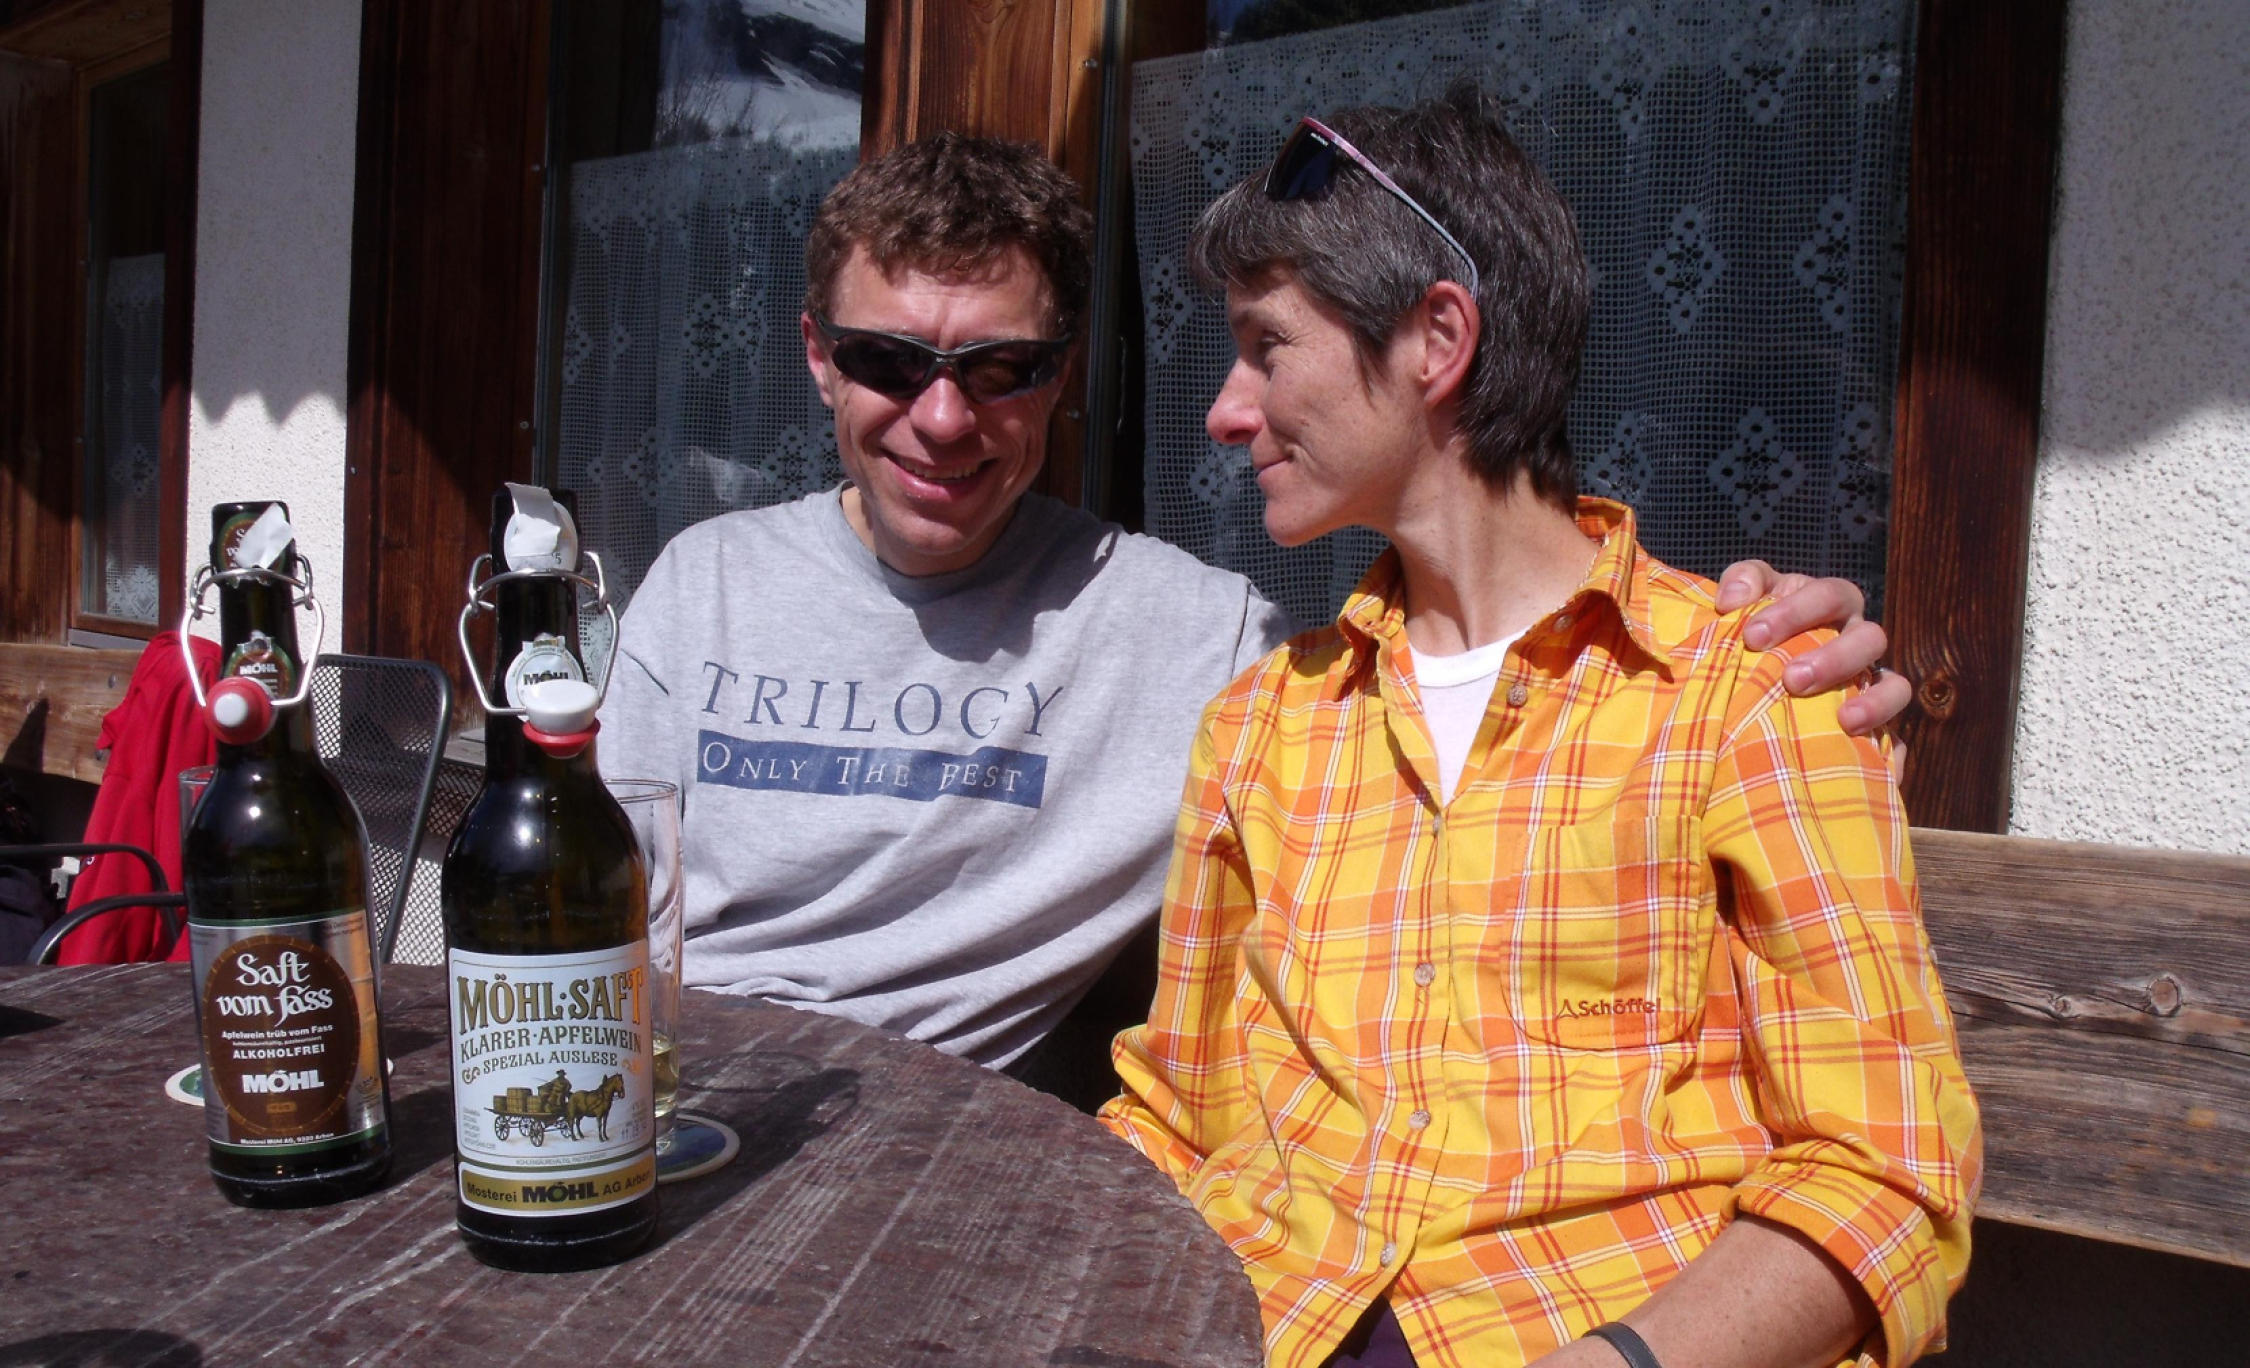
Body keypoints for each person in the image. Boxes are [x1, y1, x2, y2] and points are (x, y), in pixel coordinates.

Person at [597, 132, 1907, 1079]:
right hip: (660, 1096)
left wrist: (1766, 651)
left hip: (921, 1154)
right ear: (818, 358)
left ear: (1061, 378)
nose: (941, 418)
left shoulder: (1215, 651)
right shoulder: (703, 583)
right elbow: (588, 916)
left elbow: (1504, 648)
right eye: (888, 360)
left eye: (1001, 369)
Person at [1099, 91, 1979, 1368]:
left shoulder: (1744, 695)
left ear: (1436, 338)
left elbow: (1886, 1172)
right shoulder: (1262, 728)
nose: (1226, 413)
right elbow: (1178, 1119)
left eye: (1266, 347)